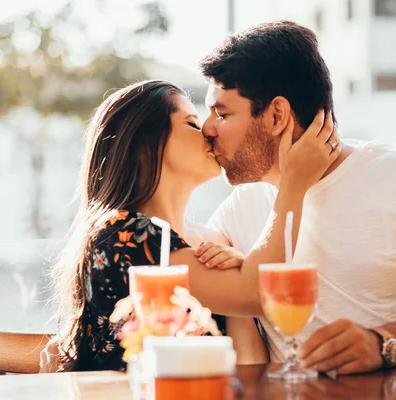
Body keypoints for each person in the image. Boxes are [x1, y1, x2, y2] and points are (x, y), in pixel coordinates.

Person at [200, 21, 396, 394]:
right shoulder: (238, 210)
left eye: (222, 114)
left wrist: (381, 345)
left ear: (276, 116)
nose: (207, 128)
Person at [45, 79, 342, 371]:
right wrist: (294, 183)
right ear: (146, 145)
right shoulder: (121, 236)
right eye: (191, 123)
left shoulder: (212, 240)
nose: (208, 131)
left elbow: (250, 366)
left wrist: (238, 282)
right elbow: (261, 294)